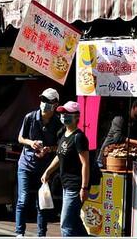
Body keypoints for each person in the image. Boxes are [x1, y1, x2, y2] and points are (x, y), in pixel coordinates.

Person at [15, 88, 63, 237]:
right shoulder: (30, 117)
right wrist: (31, 143)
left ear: (55, 104)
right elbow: (20, 138)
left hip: (44, 167)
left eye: (48, 101)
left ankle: (41, 234)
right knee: (23, 199)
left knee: (42, 202)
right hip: (25, 164)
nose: (44, 104)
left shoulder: (57, 123)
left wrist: (49, 149)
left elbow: (60, 146)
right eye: (43, 100)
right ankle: (19, 232)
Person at [42, 101, 90, 237]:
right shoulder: (64, 134)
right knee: (74, 221)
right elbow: (59, 156)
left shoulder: (79, 137)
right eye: (62, 113)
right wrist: (48, 171)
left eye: (67, 113)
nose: (63, 116)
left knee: (66, 224)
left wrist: (84, 187)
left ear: (76, 116)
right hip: (66, 185)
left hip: (75, 187)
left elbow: (85, 164)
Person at [97, 99, 137, 166]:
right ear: (134, 107)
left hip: (127, 158)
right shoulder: (120, 118)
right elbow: (118, 138)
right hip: (108, 156)